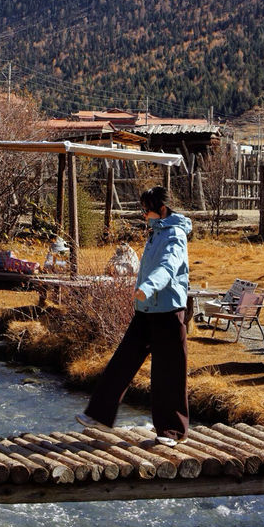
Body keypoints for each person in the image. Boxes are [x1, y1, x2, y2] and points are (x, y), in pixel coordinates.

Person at [76, 185, 191, 446]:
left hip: (168, 314)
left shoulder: (174, 235)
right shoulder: (156, 231)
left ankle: (171, 431)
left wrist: (147, 288)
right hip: (146, 312)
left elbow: (168, 268)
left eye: (146, 210)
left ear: (161, 209)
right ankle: (100, 416)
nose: (143, 215)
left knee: (169, 372)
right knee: (122, 362)